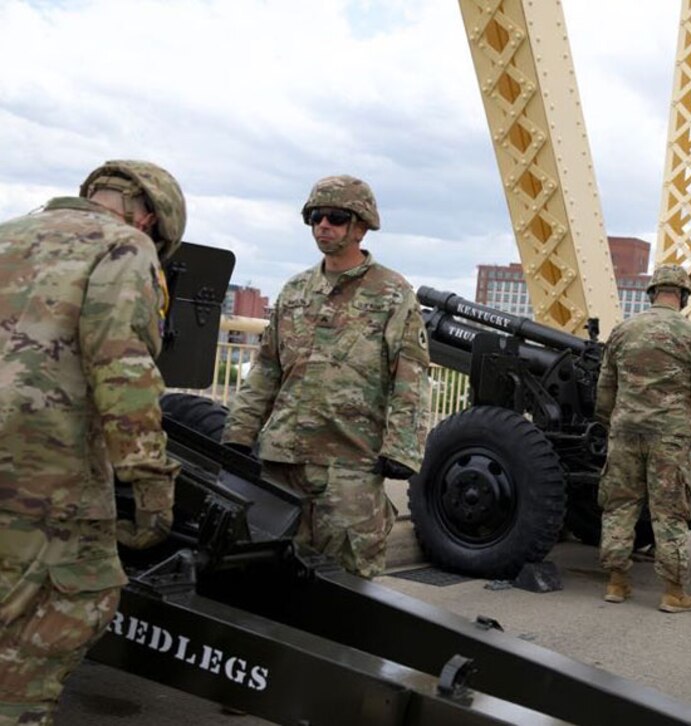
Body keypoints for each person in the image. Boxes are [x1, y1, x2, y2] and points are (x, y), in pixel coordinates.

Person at [0, 160, 186, 725]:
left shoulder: (9, 235)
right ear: (150, 216)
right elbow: (121, 367)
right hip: (51, 480)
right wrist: (151, 485)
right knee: (82, 597)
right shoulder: (125, 247)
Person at [222, 175, 430, 579]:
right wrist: (238, 433)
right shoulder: (295, 290)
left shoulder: (392, 294)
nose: (323, 225)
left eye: (335, 217)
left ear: (361, 226)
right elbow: (266, 369)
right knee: (269, 577)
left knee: (347, 585)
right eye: (316, 217)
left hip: (349, 466)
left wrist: (402, 449)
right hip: (282, 463)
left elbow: (411, 377)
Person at [595, 265, 691, 613]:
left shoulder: (623, 331)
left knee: (620, 505)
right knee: (670, 513)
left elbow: (605, 390)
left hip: (626, 432)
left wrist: (610, 425)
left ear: (652, 293)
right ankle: (673, 592)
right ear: (682, 296)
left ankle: (617, 583)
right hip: (670, 437)